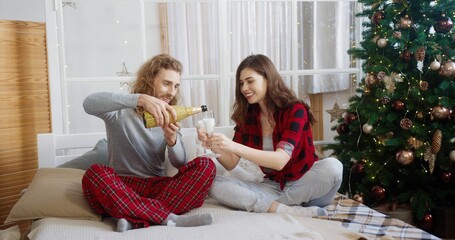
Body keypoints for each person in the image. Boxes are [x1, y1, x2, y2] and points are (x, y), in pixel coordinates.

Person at [81, 54, 216, 232]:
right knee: (94, 173)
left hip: (157, 187)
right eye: (166, 84)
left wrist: (171, 140)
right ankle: (167, 217)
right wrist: (139, 99)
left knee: (206, 165)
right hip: (121, 187)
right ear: (149, 80)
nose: (172, 92)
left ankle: (134, 219)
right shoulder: (119, 113)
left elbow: (180, 163)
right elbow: (88, 103)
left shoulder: (172, 114)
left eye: (176, 86)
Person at [200, 54, 343, 217]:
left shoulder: (295, 110)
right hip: (273, 186)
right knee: (213, 183)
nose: (244, 88)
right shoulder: (248, 117)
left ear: (267, 78)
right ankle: (284, 209)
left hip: (306, 181)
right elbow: (231, 163)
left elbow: (280, 161)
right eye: (241, 84)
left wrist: (232, 146)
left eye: (250, 81)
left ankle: (267, 204)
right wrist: (214, 144)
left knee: (333, 167)